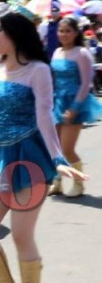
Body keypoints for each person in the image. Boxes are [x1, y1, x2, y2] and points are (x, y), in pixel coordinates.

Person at [0, 11, 87, 283]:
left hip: (29, 157)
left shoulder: (38, 70)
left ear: (14, 33)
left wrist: (58, 159)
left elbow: (45, 117)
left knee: (21, 234)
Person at [47, 16, 102, 197]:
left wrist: (75, 107)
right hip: (57, 101)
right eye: (61, 30)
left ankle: (79, 183)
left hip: (75, 103)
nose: (63, 34)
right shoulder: (57, 52)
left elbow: (86, 83)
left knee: (67, 149)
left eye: (68, 31)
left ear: (76, 33)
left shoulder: (82, 53)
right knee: (55, 147)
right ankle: (57, 182)